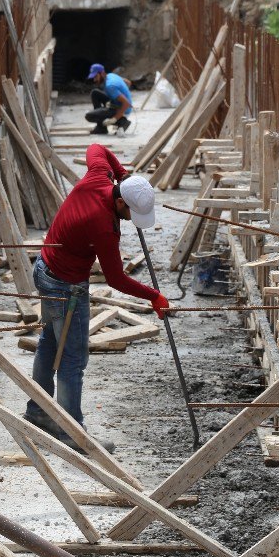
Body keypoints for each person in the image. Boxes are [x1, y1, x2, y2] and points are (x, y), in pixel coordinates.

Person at [24, 143, 169, 453]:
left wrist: (122, 174)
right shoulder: (102, 226)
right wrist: (153, 295)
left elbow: (96, 148)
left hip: (45, 267)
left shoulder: (99, 177)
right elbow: (116, 278)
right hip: (64, 285)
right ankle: (72, 433)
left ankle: (38, 411)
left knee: (50, 341)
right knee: (73, 359)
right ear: (119, 202)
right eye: (131, 212)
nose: (132, 219)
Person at [85, 63, 133, 135]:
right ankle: (101, 127)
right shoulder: (111, 75)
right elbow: (128, 82)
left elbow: (126, 103)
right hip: (118, 104)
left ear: (102, 73)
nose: (94, 80)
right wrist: (122, 95)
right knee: (94, 93)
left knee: (89, 116)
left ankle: (122, 121)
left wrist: (114, 119)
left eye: (96, 77)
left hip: (123, 109)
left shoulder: (110, 86)